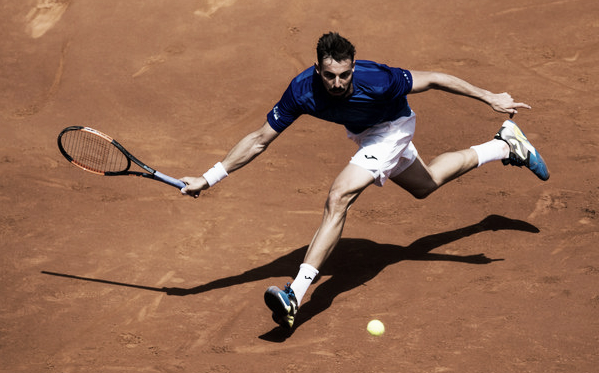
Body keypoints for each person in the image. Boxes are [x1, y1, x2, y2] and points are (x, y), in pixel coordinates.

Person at [180, 32, 549, 329]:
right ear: (317, 70)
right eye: (329, 75)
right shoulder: (301, 90)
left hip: (392, 128)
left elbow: (435, 78)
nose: (338, 83)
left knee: (338, 196)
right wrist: (209, 178)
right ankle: (504, 146)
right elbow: (260, 138)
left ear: (354, 68)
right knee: (427, 184)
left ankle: (295, 293)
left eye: (345, 74)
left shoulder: (380, 80)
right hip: (364, 133)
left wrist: (489, 97)